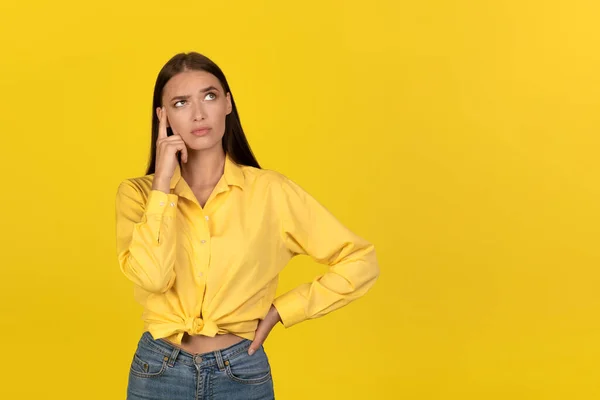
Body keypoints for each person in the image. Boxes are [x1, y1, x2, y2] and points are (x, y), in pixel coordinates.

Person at [115, 51, 380, 400]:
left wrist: (282, 311)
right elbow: (153, 277)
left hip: (239, 372)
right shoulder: (138, 195)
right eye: (181, 103)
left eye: (209, 96)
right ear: (163, 117)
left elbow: (360, 260)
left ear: (227, 103)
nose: (198, 114)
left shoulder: (271, 191)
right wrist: (163, 184)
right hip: (158, 370)